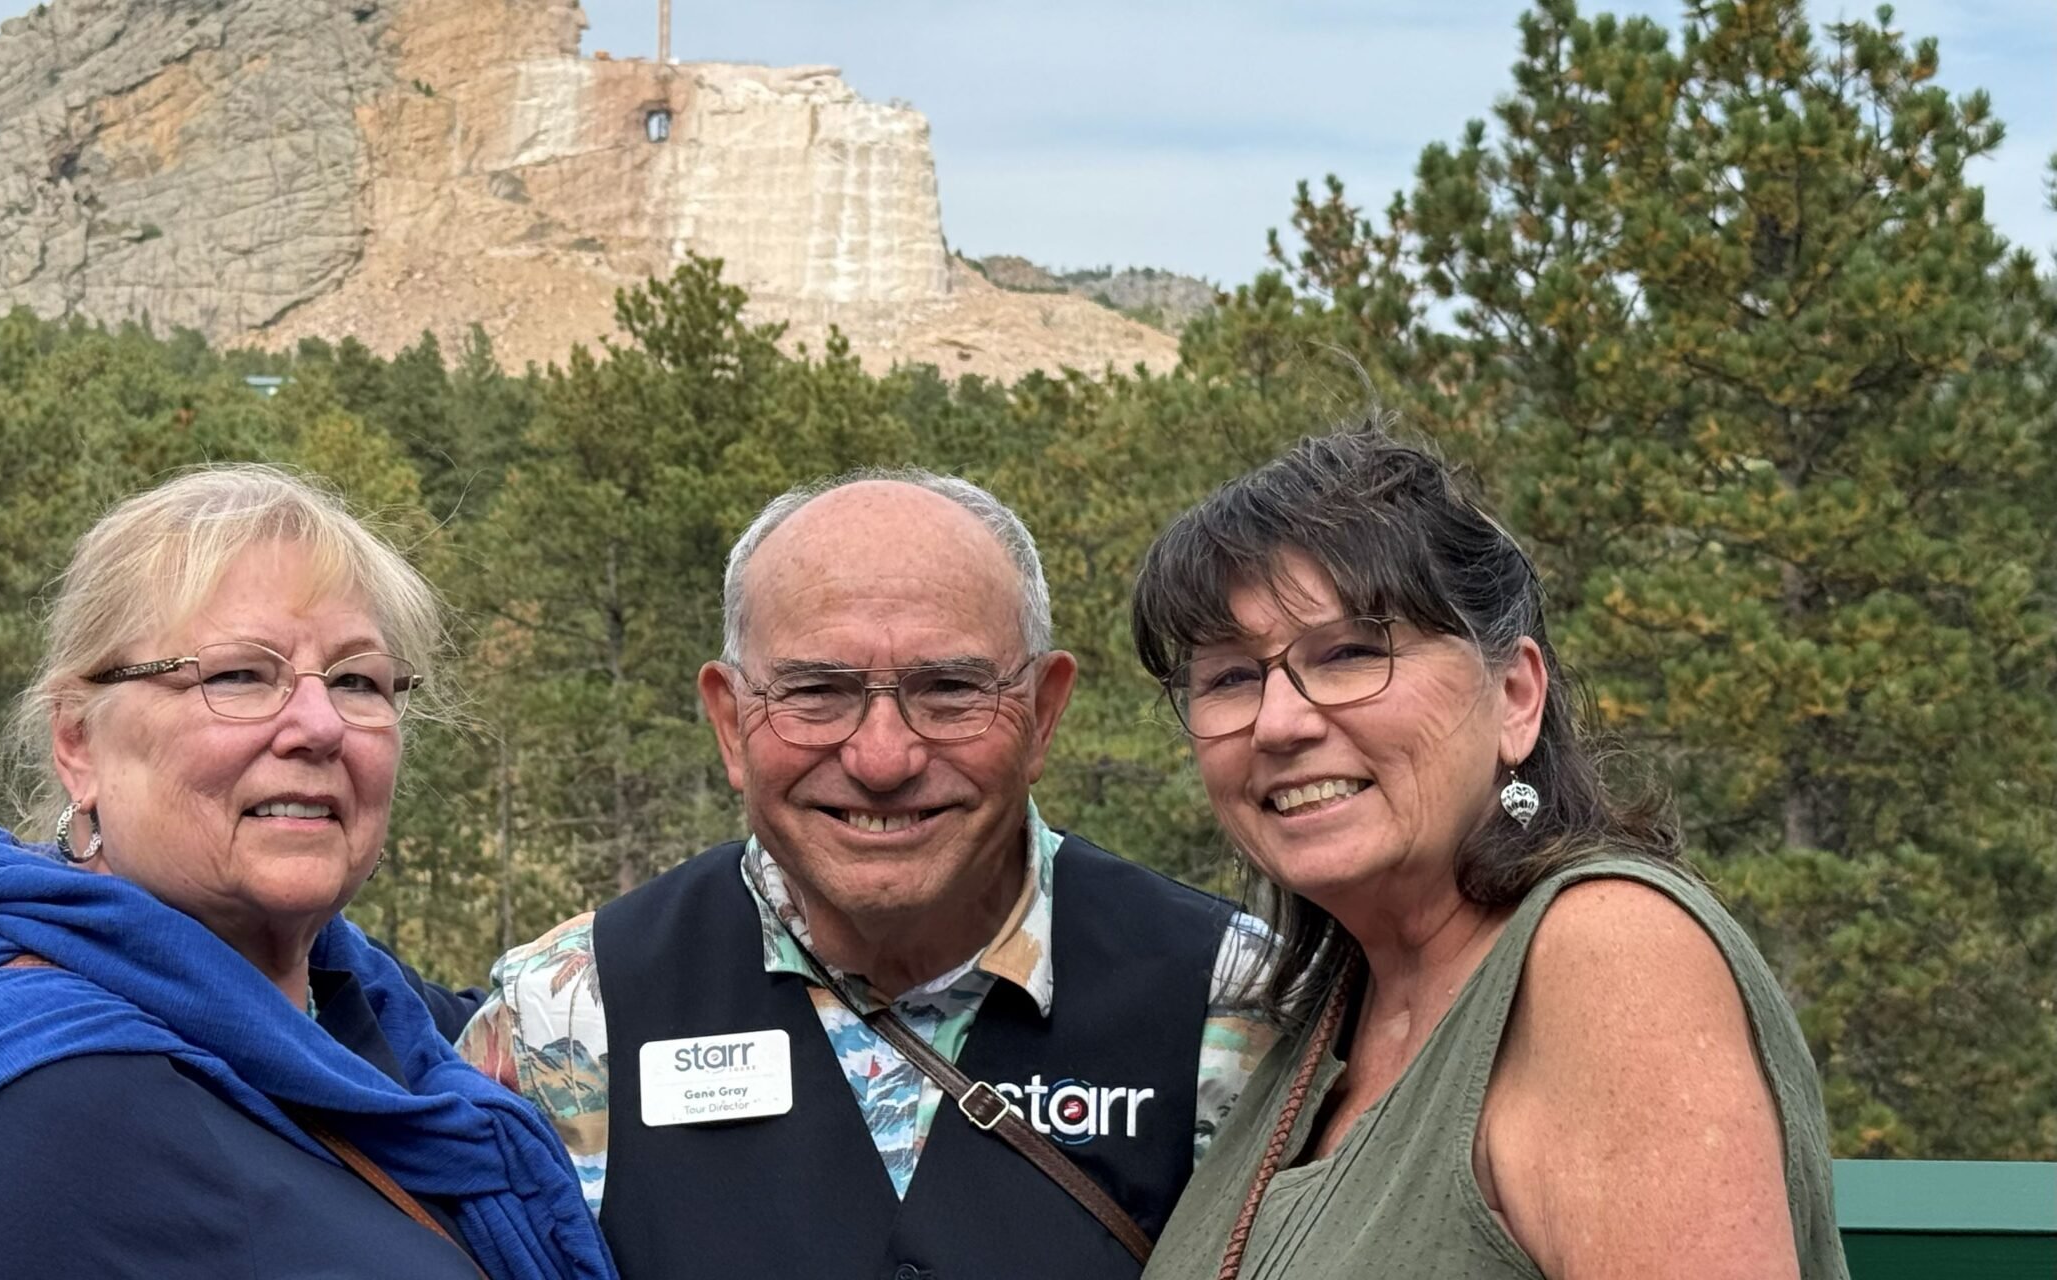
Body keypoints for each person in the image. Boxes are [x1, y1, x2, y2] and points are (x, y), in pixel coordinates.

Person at [458, 470, 1276, 1280]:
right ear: (730, 722)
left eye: (950, 689)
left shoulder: (1235, 1008)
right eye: (817, 691)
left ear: (1044, 713)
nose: (883, 758)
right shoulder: (563, 1021)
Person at [0, 466, 616, 1280]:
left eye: (358, 681)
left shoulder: (371, 1025)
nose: (318, 724)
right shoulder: (52, 1110)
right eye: (238, 675)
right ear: (78, 744)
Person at [1132, 427, 1849, 1279]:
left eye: (1353, 653)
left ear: (1515, 697)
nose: (1280, 722)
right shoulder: (1329, 1024)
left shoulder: (1610, 957)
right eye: (1229, 678)